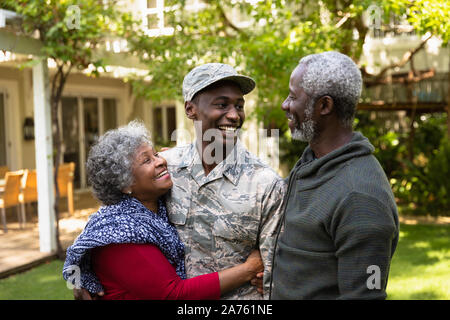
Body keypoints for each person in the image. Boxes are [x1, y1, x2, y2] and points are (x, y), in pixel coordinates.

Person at [63, 120, 264, 300]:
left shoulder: (155, 207)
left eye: (156, 153)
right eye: (146, 160)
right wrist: (249, 269)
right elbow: (173, 294)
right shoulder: (120, 233)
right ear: (124, 184)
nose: (161, 161)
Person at [269, 51, 399, 300]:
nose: (285, 105)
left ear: (324, 106)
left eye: (293, 97)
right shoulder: (313, 160)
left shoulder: (360, 199)